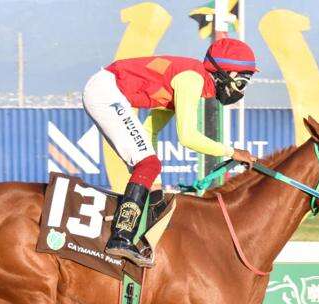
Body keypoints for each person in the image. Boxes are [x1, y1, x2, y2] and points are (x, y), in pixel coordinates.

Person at [82, 38, 259, 267]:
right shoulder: (191, 79)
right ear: (224, 73)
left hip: (105, 91)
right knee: (148, 164)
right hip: (105, 93)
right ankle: (121, 236)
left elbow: (150, 131)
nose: (241, 90)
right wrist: (232, 152)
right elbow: (188, 137)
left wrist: (156, 188)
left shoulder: (191, 80)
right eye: (242, 81)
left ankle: (136, 230)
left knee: (149, 167)